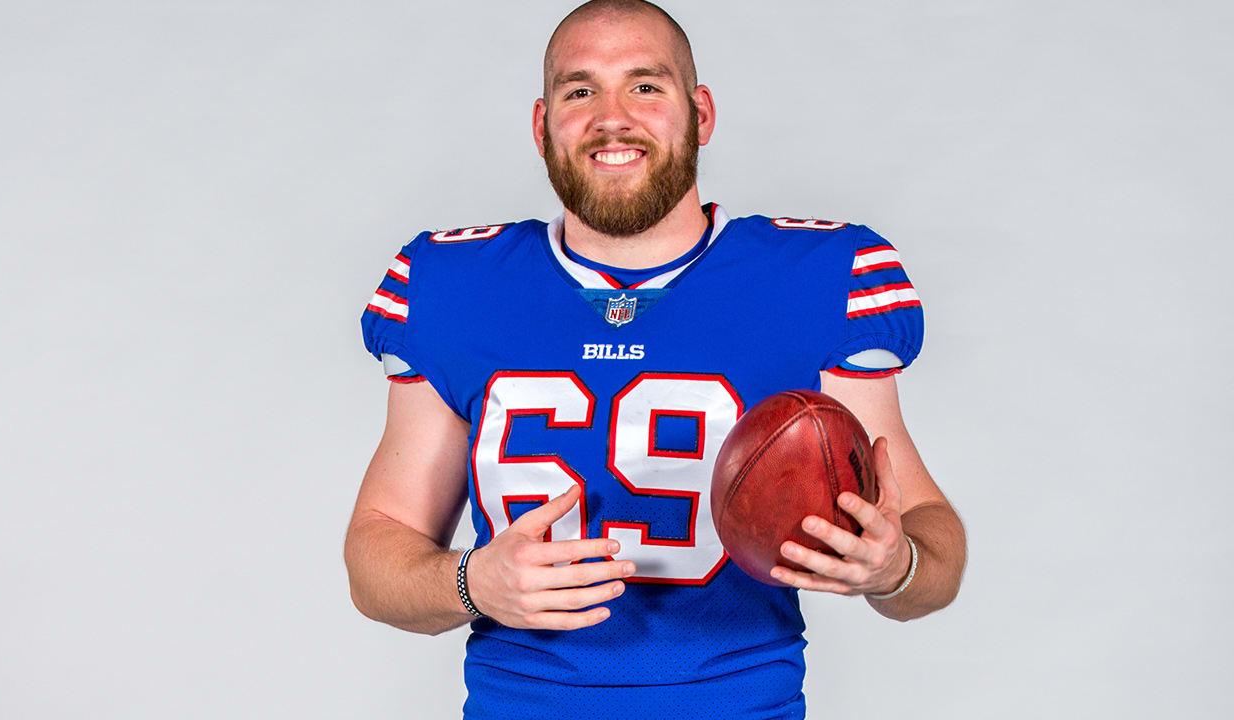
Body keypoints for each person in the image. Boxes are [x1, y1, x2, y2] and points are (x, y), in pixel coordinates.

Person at [344, 1, 967, 717]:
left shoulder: (819, 277)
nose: (613, 117)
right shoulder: (456, 285)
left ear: (700, 114)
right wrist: (469, 583)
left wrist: (897, 565)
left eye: (646, 85)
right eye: (580, 91)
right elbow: (377, 553)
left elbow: (929, 538)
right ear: (542, 125)